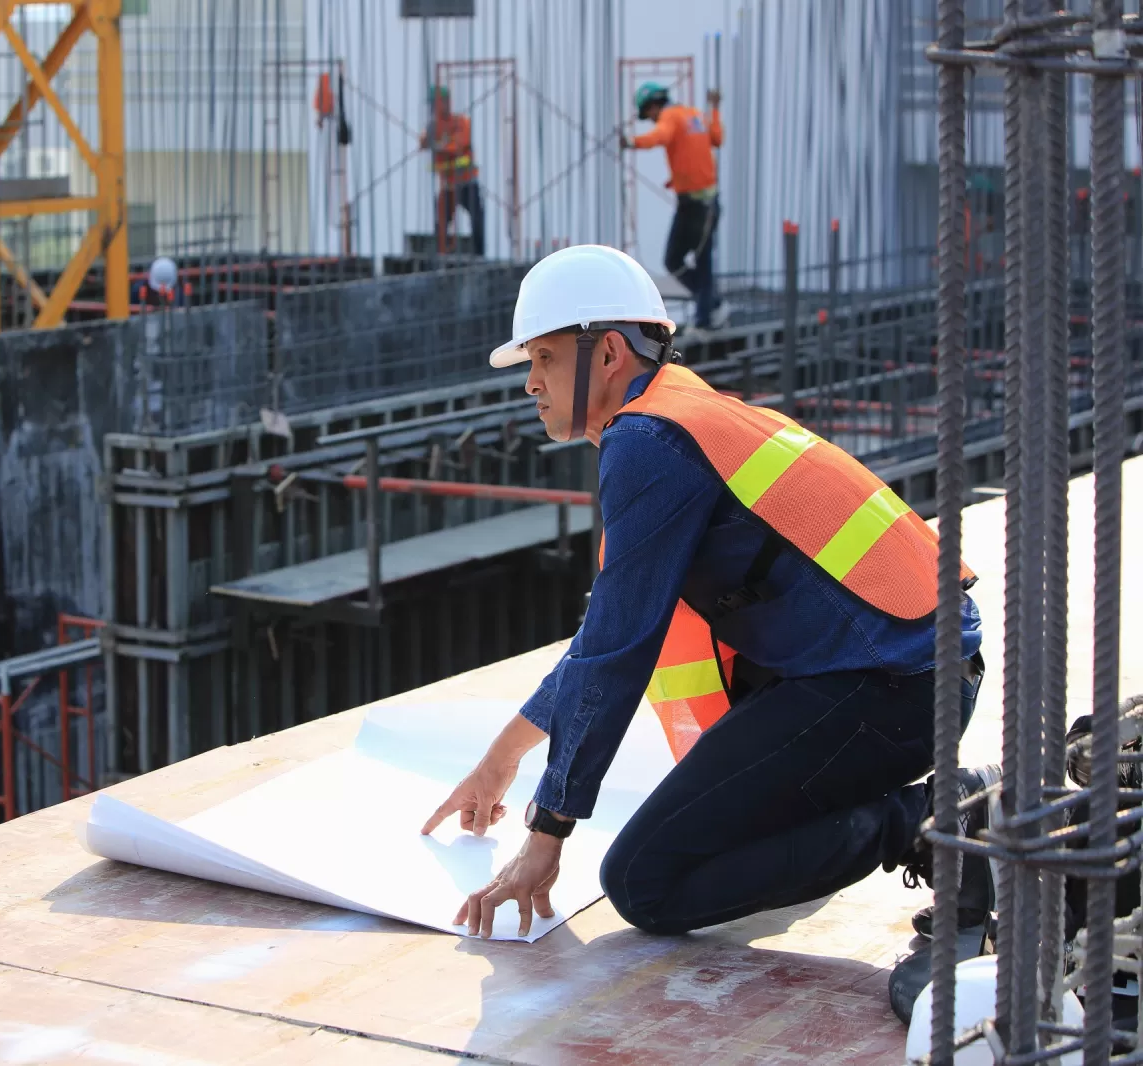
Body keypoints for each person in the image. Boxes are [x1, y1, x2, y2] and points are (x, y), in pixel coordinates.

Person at [421, 244, 997, 1024]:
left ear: (612, 353)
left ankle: (933, 822)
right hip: (901, 671)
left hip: (893, 688)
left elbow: (614, 660)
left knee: (645, 882)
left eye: (547, 358)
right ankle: (933, 811)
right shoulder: (686, 417)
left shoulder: (648, 444)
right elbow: (606, 639)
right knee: (686, 841)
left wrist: (547, 832)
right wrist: (503, 759)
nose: (531, 382)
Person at [622, 83, 727, 330]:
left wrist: (631, 141)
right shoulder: (694, 115)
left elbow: (661, 136)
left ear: (653, 105)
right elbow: (717, 138)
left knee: (689, 262)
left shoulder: (670, 117)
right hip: (699, 204)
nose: (651, 120)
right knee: (682, 260)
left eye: (648, 114)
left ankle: (705, 319)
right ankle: (711, 304)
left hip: (699, 205)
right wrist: (714, 109)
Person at [421, 86, 484, 257]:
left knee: (477, 219)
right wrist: (430, 140)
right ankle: (442, 253)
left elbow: (458, 145)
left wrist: (440, 145)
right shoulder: (434, 126)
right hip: (448, 185)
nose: (433, 108)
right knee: (441, 222)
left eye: (436, 103)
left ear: (446, 102)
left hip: (466, 183)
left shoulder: (460, 122)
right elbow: (423, 143)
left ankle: (478, 255)